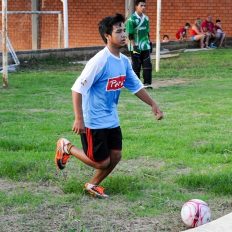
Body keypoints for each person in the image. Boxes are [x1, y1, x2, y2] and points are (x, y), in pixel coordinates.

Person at [55, 13, 164, 199]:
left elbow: (136, 86)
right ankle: (67, 147)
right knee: (101, 162)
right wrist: (79, 118)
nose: (123, 35)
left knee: (116, 156)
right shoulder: (99, 61)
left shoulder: (123, 61)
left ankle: (92, 185)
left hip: (111, 118)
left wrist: (152, 104)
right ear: (107, 36)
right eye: (118, 31)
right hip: (93, 120)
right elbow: (77, 89)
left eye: (124, 31)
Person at [126, 0, 153, 89]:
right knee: (136, 65)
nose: (143, 7)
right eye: (141, 5)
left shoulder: (146, 18)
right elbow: (130, 35)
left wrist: (150, 42)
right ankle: (136, 85)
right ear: (136, 6)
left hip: (145, 46)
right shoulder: (131, 19)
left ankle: (147, 83)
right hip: (135, 46)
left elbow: (147, 32)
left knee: (147, 64)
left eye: (144, 6)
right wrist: (134, 46)